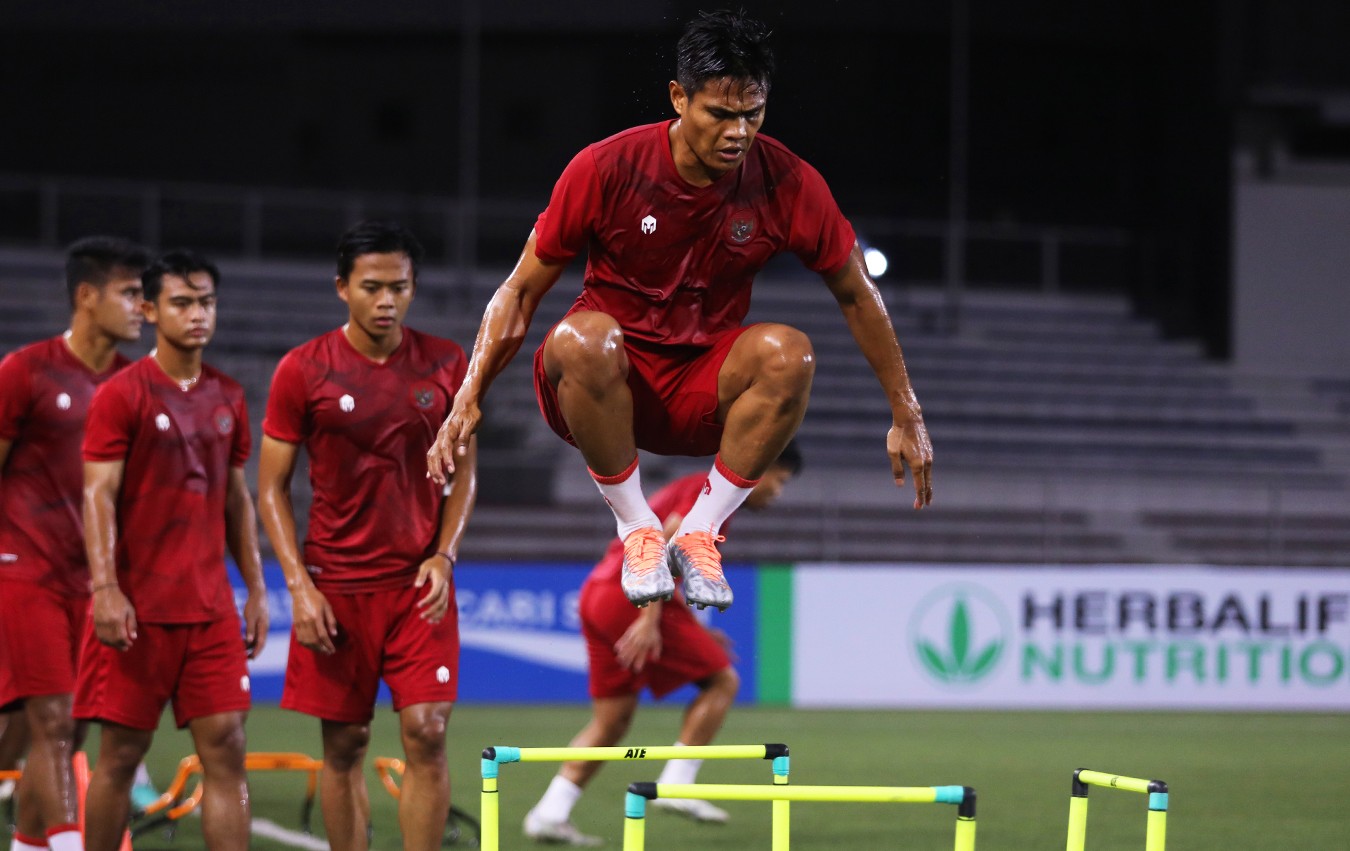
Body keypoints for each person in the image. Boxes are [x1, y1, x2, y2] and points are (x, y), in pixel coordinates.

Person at [427, 8, 932, 613]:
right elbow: (519, 290)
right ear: (678, 98)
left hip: (700, 393)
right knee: (584, 338)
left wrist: (905, 408)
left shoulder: (787, 181)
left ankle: (699, 532)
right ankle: (638, 528)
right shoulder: (606, 167)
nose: (737, 133)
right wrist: (470, 392)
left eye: (752, 114)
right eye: (719, 114)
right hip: (602, 382)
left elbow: (856, 292)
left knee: (790, 353)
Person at [257, 221, 477, 851]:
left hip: (418, 586)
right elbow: (270, 488)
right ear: (342, 288)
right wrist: (298, 588)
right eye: (372, 287)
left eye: (399, 287)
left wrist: (444, 555)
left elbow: (464, 474)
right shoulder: (303, 370)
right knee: (346, 743)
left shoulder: (447, 362)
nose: (386, 300)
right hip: (336, 586)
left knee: (428, 732)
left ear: (413, 288)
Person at [75, 249, 268, 851]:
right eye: (182, 303)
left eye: (206, 302)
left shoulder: (228, 396)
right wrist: (106, 589)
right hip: (139, 608)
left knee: (227, 748)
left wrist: (256, 588)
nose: (197, 314)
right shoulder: (121, 394)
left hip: (209, 610)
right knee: (120, 754)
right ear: (149, 310)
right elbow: (98, 494)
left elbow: (236, 500)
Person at [523, 442, 802, 845]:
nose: (778, 491)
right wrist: (649, 618)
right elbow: (665, 541)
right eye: (781, 479)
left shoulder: (695, 487)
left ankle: (550, 812)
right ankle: (677, 784)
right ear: (763, 466)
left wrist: (682, 623)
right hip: (631, 599)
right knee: (722, 682)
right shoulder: (713, 493)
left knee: (611, 722)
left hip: (599, 593)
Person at [0, 236, 149, 851]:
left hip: (96, 585)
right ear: (87, 296)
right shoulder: (25, 371)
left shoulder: (136, 384)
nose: (143, 307)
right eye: (131, 293)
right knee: (54, 722)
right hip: (23, 570)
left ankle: (29, 845)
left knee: (68, 731)